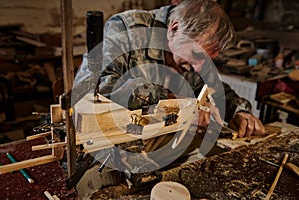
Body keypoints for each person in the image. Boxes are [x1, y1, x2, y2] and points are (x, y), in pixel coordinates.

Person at [75, 0, 266, 169]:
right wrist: (179, 104)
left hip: (160, 144)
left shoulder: (193, 52)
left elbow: (217, 88)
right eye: (198, 55)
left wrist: (240, 112)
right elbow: (95, 91)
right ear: (174, 29)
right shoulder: (128, 30)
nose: (200, 68)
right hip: (107, 145)